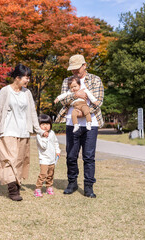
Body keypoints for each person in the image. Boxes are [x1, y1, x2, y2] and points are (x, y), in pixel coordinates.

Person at [0, 63, 45, 201]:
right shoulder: (5, 91)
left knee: (20, 160)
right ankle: (12, 189)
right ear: (17, 77)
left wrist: (38, 130)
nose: (27, 80)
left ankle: (16, 183)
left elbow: (32, 113)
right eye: (25, 77)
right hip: (8, 130)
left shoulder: (27, 93)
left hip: (23, 132)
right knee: (10, 159)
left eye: (28, 77)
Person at [55, 54, 104, 198]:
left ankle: (88, 186)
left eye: (77, 68)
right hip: (72, 122)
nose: (74, 72)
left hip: (91, 123)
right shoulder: (67, 81)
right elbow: (64, 101)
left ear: (84, 65)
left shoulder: (95, 80)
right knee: (71, 155)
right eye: (72, 69)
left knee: (89, 156)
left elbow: (98, 101)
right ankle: (72, 183)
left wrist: (84, 112)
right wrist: (78, 94)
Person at [34, 114, 61, 197]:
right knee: (43, 174)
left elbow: (55, 142)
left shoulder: (52, 133)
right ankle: (38, 189)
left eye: (47, 124)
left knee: (50, 174)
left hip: (52, 158)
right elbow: (43, 146)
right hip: (44, 159)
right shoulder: (39, 135)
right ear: (39, 126)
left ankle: (49, 187)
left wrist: (58, 151)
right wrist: (45, 137)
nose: (45, 126)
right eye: (43, 124)